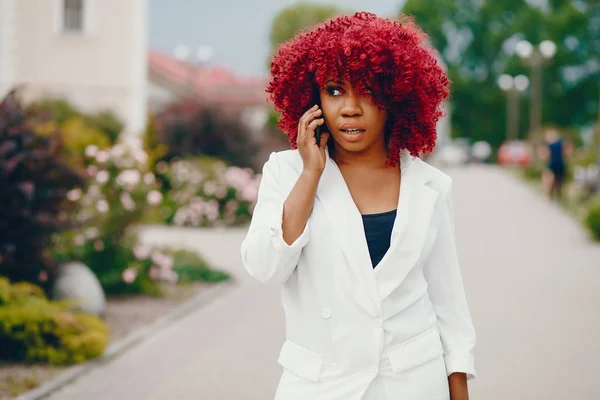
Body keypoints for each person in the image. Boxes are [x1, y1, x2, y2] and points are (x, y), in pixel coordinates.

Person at [240, 12, 476, 400]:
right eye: (334, 91)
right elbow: (265, 266)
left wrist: (459, 389)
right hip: (319, 386)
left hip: (413, 384)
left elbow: (449, 305)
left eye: (368, 90)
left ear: (396, 96)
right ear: (312, 99)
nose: (350, 108)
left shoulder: (431, 186)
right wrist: (310, 174)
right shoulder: (285, 172)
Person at [538, 128, 572, 201]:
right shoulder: (561, 143)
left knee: (549, 179)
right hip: (560, 163)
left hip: (552, 163)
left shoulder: (548, 145)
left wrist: (544, 159)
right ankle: (558, 196)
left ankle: (549, 195)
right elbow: (567, 152)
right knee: (559, 180)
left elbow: (545, 155)